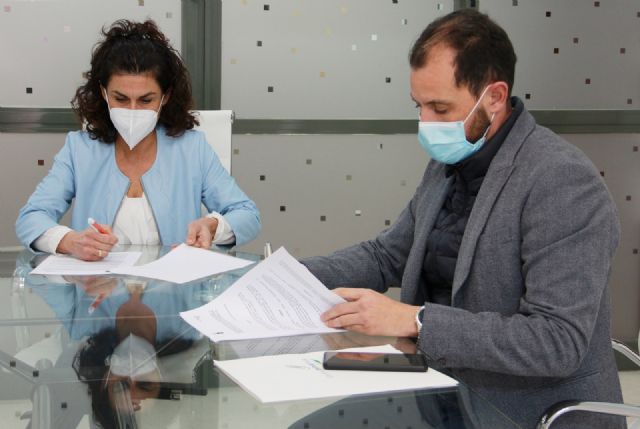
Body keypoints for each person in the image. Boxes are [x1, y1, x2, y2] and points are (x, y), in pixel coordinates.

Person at [303, 9, 623, 429]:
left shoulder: (561, 180)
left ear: (494, 98)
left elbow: (556, 341)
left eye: (440, 108)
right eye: (419, 107)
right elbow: (387, 255)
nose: (425, 124)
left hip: (523, 411)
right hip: (441, 390)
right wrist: (287, 276)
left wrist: (414, 320)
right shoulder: (449, 163)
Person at [16, 19, 260, 261]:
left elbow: (247, 215)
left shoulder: (192, 149)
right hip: (96, 285)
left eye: (146, 100)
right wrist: (70, 242)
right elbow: (30, 218)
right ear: (103, 93)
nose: (132, 110)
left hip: (172, 285)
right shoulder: (79, 149)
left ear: (165, 96)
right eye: (121, 99)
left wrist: (212, 226)